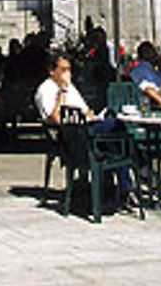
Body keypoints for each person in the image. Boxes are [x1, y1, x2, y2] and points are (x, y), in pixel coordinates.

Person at [35, 50, 135, 207]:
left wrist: (92, 115)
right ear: (52, 71)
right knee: (117, 130)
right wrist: (61, 92)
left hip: (86, 129)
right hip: (70, 136)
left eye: (68, 70)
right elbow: (55, 119)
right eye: (63, 70)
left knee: (116, 134)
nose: (67, 74)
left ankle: (125, 186)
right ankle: (135, 177)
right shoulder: (45, 90)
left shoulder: (71, 87)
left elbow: (85, 109)